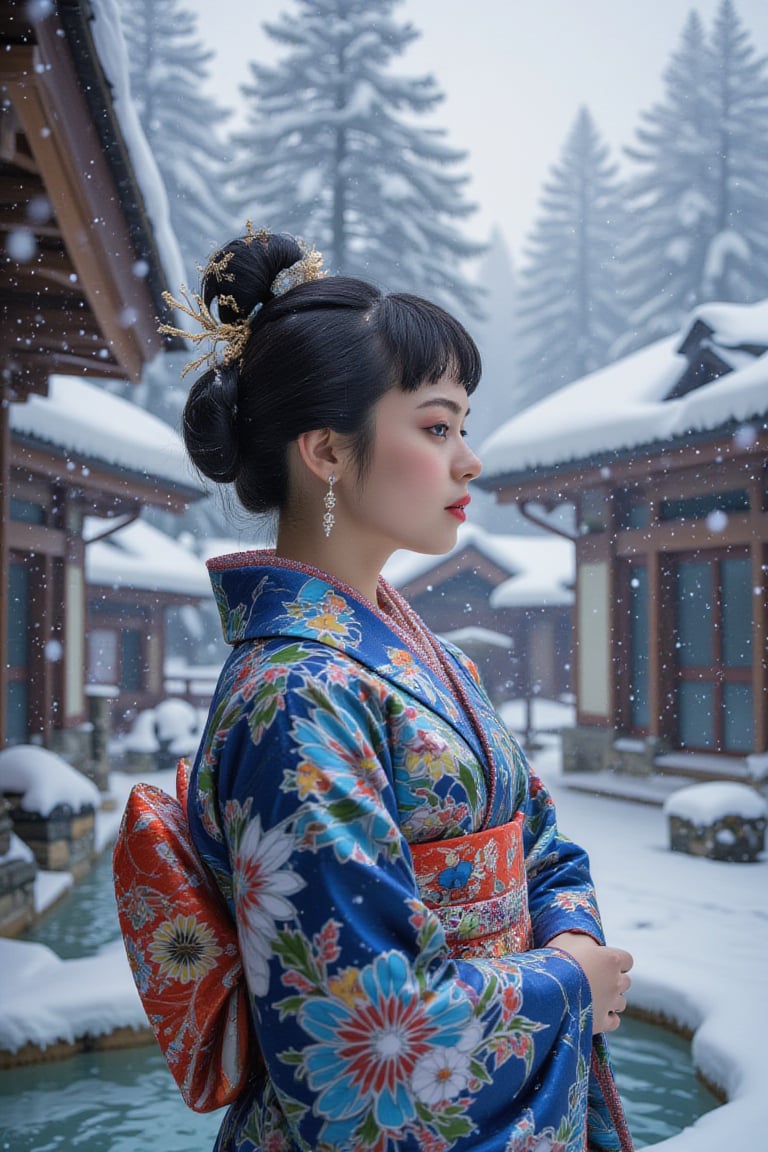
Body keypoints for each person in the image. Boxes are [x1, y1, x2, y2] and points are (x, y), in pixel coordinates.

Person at [139, 227, 634, 1151]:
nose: (468, 459)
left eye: (464, 428)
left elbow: (541, 839)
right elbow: (368, 1036)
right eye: (438, 426)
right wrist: (570, 982)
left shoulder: (422, 657)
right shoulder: (294, 695)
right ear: (326, 451)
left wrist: (566, 938)